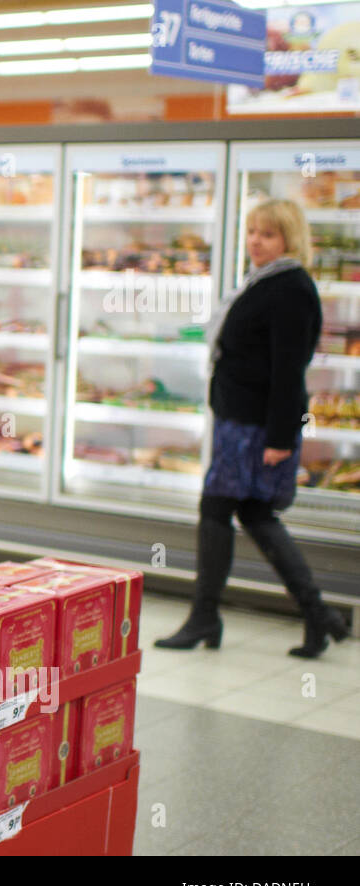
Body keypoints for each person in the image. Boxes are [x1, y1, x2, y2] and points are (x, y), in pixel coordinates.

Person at [156, 198, 350, 658]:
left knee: (220, 509)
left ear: (289, 239)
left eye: (267, 234)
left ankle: (207, 616)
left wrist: (282, 439)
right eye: (252, 232)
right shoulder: (263, 282)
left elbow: (289, 369)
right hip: (238, 422)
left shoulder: (290, 288)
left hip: (257, 428)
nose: (255, 242)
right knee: (253, 514)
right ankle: (317, 616)